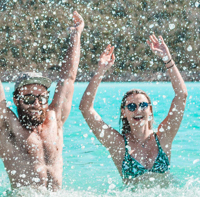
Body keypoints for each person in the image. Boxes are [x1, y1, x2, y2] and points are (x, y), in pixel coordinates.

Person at [0, 0, 83, 190]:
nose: (36, 103)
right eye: (29, 98)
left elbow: (68, 79)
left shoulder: (55, 118)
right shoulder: (7, 125)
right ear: (16, 99)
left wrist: (76, 36)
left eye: (41, 98)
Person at [79, 37, 188, 186]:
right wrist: (100, 71)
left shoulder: (163, 138)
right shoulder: (118, 145)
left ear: (150, 109)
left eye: (143, 105)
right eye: (131, 107)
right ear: (124, 113)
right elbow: (86, 108)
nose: (138, 110)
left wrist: (167, 59)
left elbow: (182, 95)